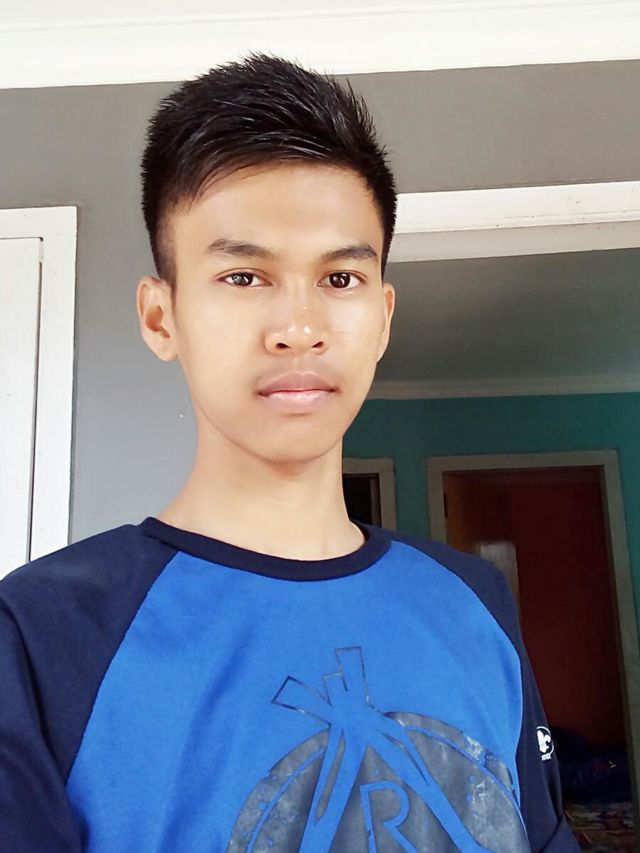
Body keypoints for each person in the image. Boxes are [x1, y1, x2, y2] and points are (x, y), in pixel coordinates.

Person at [0, 53, 579, 852]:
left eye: (340, 279)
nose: (299, 328)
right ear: (162, 317)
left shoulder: (474, 600)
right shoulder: (41, 633)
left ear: (382, 317)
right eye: (244, 277)